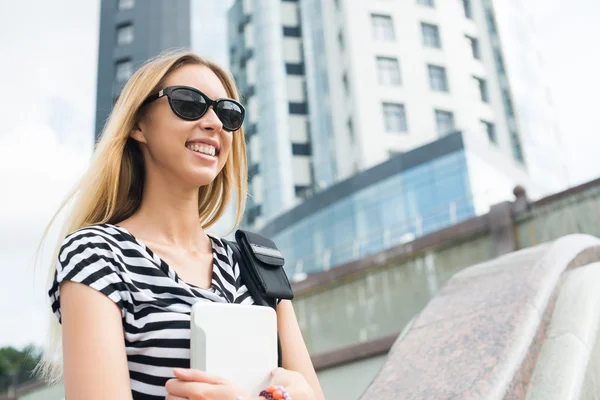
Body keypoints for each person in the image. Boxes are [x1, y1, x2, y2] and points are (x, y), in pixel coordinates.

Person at [38, 50, 325, 400]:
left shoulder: (257, 263)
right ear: (137, 125)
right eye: (189, 103)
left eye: (228, 113)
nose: (215, 123)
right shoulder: (97, 255)